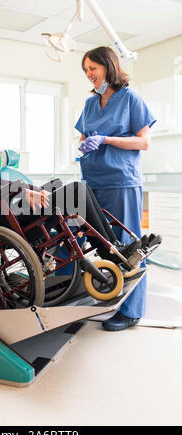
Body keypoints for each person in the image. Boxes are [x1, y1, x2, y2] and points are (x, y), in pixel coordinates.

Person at [0, 135, 141, 264]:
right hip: (6, 227)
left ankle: (113, 246)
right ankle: (109, 251)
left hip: (15, 217)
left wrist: (39, 192)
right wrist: (22, 192)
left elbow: (12, 186)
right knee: (77, 190)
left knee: (77, 188)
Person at [75, 46, 157, 331]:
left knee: (128, 247)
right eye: (86, 70)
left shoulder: (130, 98)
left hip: (121, 181)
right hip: (93, 181)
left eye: (92, 69)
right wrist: (85, 144)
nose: (89, 75)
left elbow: (143, 142)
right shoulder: (90, 103)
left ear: (108, 67)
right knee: (103, 245)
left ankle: (132, 311)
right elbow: (83, 137)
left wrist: (107, 140)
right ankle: (107, 300)